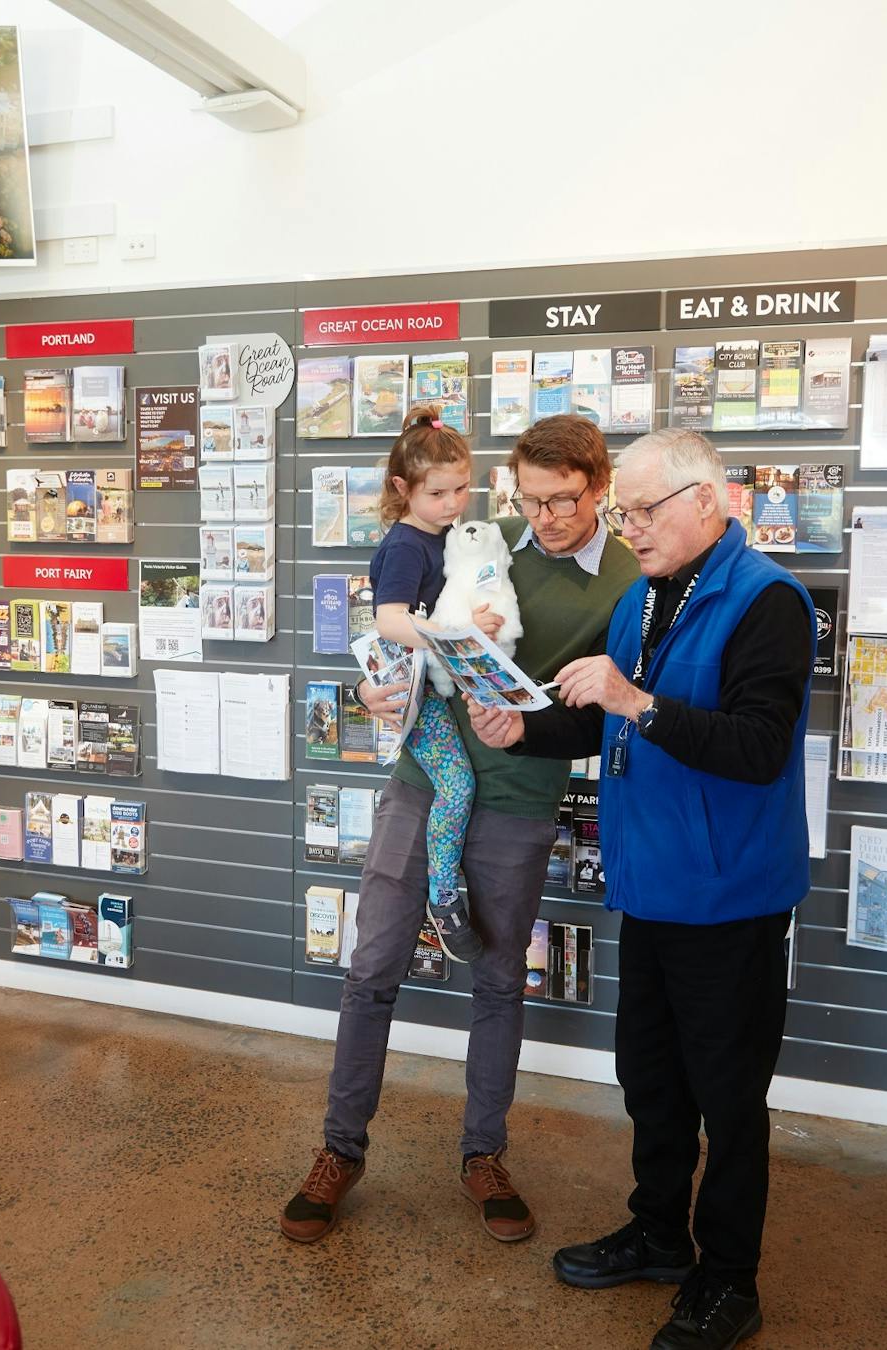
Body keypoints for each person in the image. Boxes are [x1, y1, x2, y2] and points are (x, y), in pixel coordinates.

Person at [469, 428, 815, 1350]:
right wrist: (521, 732)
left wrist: (639, 703)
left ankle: (729, 1279)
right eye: (623, 511)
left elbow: (757, 748)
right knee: (651, 1082)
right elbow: (593, 720)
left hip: (731, 897)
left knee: (730, 1098)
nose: (628, 527)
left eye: (641, 511)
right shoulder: (645, 597)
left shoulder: (769, 601)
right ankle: (660, 1232)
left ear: (707, 500)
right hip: (650, 887)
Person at [282, 415, 639, 1245]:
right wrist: (375, 692)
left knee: (498, 976)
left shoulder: (627, 579)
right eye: (531, 498)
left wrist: (537, 727)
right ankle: (340, 1150)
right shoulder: (480, 533)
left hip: (519, 795)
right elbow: (400, 624)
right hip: (421, 780)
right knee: (371, 967)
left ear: (601, 489)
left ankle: (484, 1155)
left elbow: (611, 717)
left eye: (562, 501)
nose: (542, 517)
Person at [363, 405, 492, 961]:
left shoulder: (449, 535)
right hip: (414, 688)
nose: (453, 504)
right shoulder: (404, 545)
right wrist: (455, 634)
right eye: (438, 494)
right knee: (457, 786)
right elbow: (388, 619)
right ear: (402, 488)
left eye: (462, 489)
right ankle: (444, 899)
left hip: (439, 677)